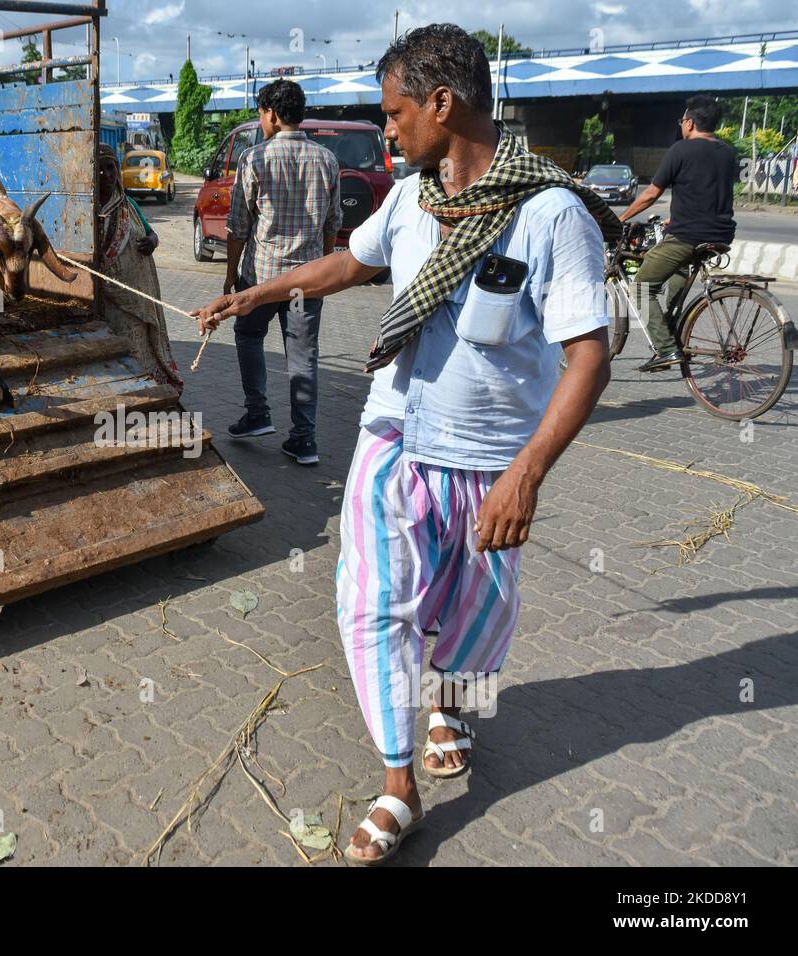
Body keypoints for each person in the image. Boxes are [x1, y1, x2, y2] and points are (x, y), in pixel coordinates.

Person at [193, 23, 619, 864]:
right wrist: (257, 292)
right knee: (370, 605)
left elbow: (590, 356)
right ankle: (399, 785)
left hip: (494, 459)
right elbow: (350, 263)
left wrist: (527, 474)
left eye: (393, 114)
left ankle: (450, 705)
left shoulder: (552, 215)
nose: (386, 130)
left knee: (478, 614)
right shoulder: (412, 198)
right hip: (394, 436)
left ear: (441, 103)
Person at [224, 79, 341, 466]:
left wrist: (230, 276)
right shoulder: (327, 160)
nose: (261, 120)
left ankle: (257, 414)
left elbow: (238, 226)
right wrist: (323, 270)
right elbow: (332, 224)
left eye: (261, 113)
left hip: (259, 278)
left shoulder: (254, 159)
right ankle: (304, 440)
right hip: (306, 283)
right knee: (303, 358)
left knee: (248, 335)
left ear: (272, 113)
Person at [619, 95, 736, 371]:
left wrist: (621, 218)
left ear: (691, 122)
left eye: (683, 120)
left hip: (687, 237)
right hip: (720, 235)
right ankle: (671, 328)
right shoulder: (728, 152)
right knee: (676, 275)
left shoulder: (681, 150)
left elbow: (651, 193)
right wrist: (676, 217)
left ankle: (666, 350)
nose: (682, 125)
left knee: (640, 288)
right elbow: (707, 190)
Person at [95, 144, 181, 390]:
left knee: (140, 345)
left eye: (111, 168)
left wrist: (151, 242)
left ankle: (148, 390)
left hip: (139, 297)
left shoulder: (128, 205)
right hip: (110, 300)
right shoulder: (88, 211)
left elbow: (152, 233)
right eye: (100, 170)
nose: (107, 175)